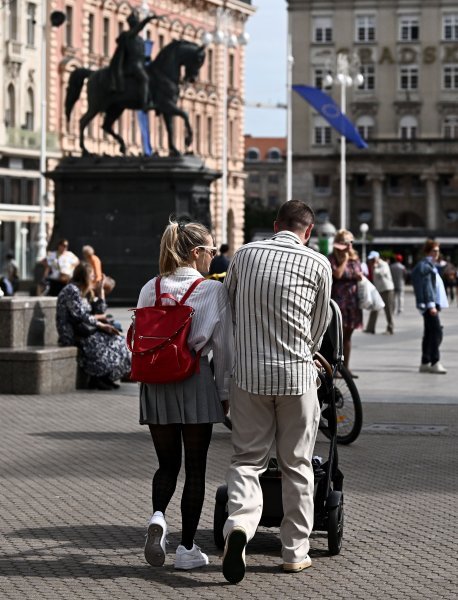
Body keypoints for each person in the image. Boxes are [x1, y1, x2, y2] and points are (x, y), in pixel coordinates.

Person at [221, 200, 331, 584]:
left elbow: (229, 306)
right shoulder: (319, 263)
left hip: (249, 376)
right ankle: (294, 553)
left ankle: (238, 527)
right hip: (297, 378)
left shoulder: (244, 255)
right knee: (297, 466)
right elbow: (319, 324)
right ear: (308, 231)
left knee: (247, 460)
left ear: (274, 225)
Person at [137, 219, 233, 571]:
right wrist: (224, 394)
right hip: (195, 379)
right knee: (195, 469)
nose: (213, 256)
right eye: (211, 250)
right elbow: (223, 350)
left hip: (156, 382)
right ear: (196, 253)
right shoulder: (211, 291)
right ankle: (188, 549)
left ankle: (158, 518)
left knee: (166, 465)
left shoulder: (152, 287)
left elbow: (140, 335)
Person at [56, 262, 131, 390]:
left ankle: (106, 377)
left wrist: (101, 290)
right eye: (91, 275)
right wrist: (101, 325)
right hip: (73, 333)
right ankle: (97, 378)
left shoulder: (82, 290)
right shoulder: (71, 290)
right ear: (84, 276)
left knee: (118, 341)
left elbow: (100, 311)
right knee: (100, 344)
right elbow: (80, 315)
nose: (93, 278)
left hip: (85, 330)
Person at [328, 229, 363, 375]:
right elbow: (337, 274)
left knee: (347, 337)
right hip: (339, 301)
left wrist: (359, 275)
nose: (350, 245)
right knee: (336, 337)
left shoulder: (355, 257)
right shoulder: (332, 258)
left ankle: (345, 368)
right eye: (346, 242)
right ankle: (332, 368)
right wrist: (346, 259)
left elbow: (359, 273)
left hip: (352, 301)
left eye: (351, 242)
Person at [411, 240, 449, 374]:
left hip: (430, 304)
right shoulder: (425, 265)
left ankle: (425, 362)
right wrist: (430, 305)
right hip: (429, 305)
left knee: (429, 333)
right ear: (428, 251)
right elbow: (426, 286)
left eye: (438, 251)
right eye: (434, 251)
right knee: (436, 332)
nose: (437, 253)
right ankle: (435, 361)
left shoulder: (429, 265)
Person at [109, 9, 158, 112]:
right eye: (136, 24)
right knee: (144, 78)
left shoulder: (140, 39)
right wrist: (147, 19)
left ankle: (153, 99)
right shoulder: (128, 35)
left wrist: (147, 59)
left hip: (140, 64)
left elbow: (140, 54)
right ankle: (144, 104)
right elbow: (131, 54)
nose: (137, 27)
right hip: (131, 65)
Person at [364, 251, 395, 335]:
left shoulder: (383, 264)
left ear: (376, 258)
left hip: (387, 289)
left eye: (372, 259)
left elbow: (381, 273)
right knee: (375, 308)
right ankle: (370, 328)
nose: (371, 261)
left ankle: (390, 328)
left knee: (388, 309)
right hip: (378, 290)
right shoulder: (373, 266)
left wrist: (375, 266)